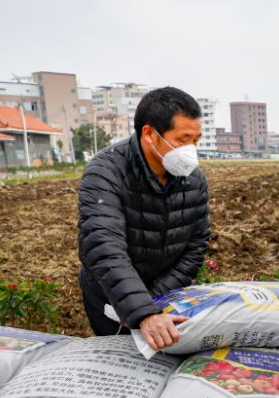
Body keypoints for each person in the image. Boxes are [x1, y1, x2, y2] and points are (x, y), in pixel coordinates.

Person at [77, 86, 210, 350]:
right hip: (111, 295)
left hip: (165, 292)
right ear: (149, 134)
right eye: (183, 140)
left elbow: (196, 247)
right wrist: (143, 312)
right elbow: (103, 246)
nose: (190, 150)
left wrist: (154, 299)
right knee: (120, 359)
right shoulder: (105, 172)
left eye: (196, 141)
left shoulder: (194, 179)